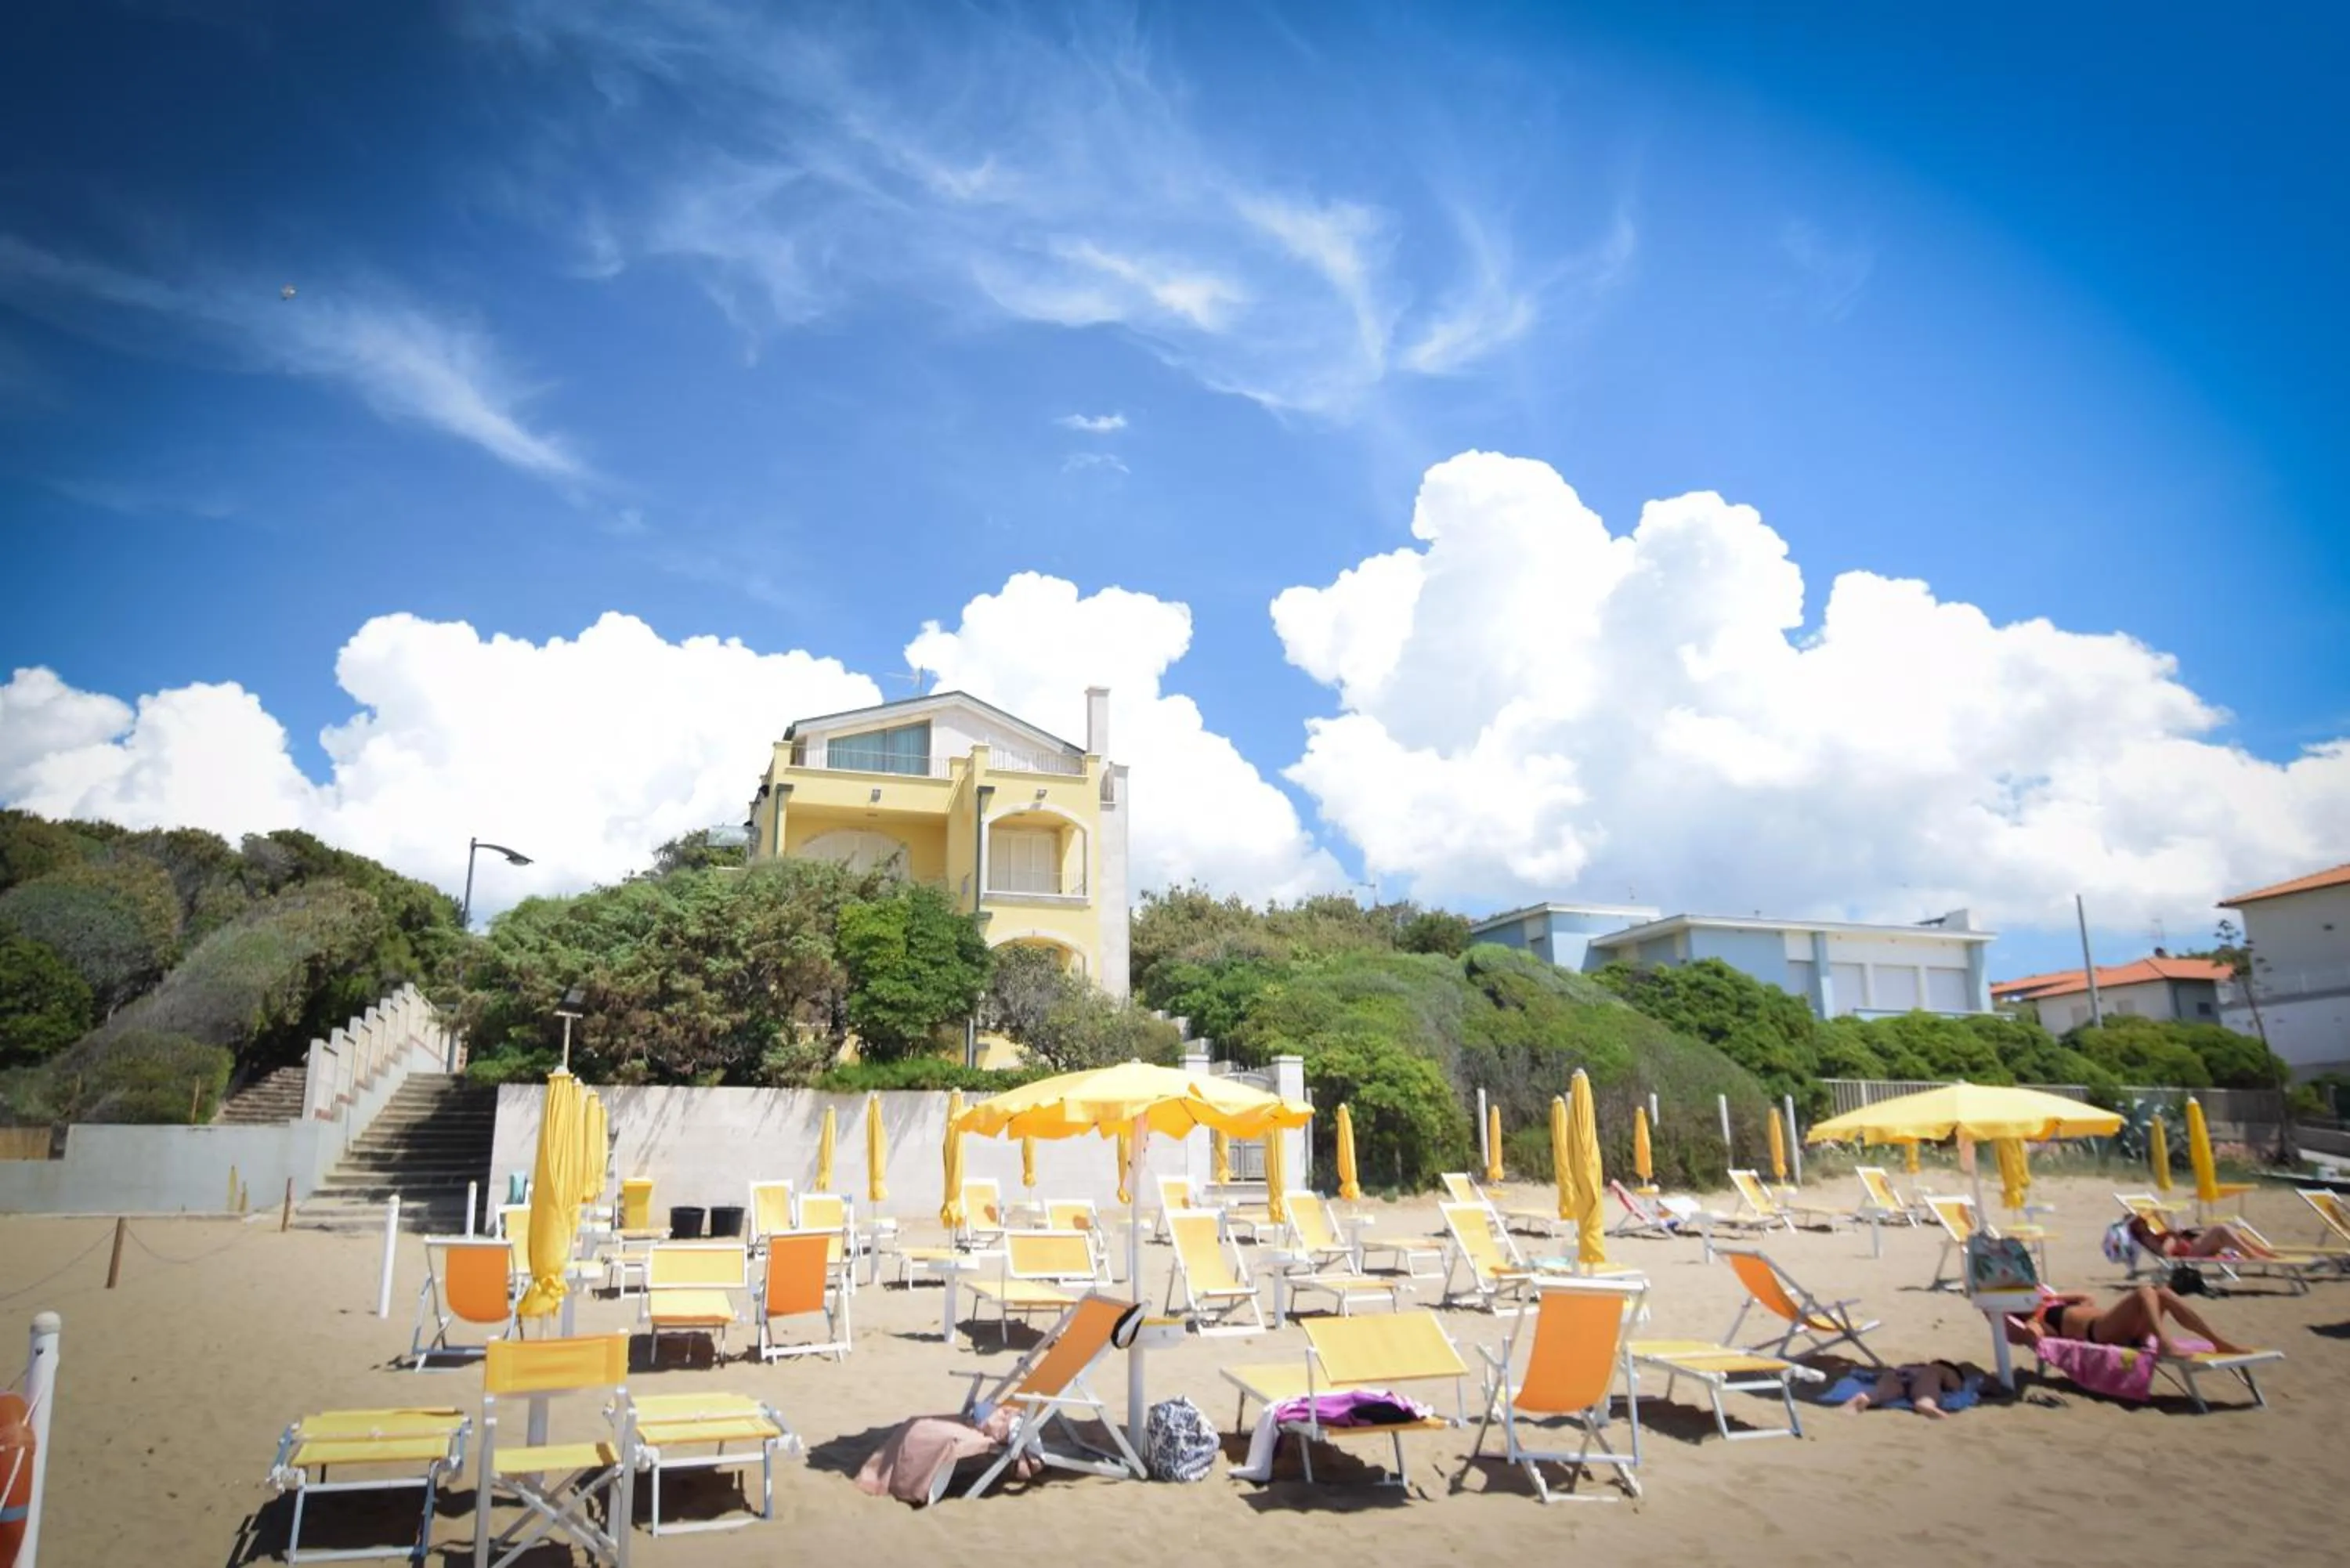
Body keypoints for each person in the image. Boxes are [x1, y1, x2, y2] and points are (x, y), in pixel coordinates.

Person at [2008, 1284, 2251, 1357]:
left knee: (2163, 1293)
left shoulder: (2053, 1304)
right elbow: (2033, 1336)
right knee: (2145, 1291)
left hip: (2125, 1329)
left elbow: (2088, 1296)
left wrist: (2053, 1296)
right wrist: (2028, 1327)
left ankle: (2217, 1341)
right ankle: (2166, 1345)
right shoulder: (2038, 1319)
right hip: (2101, 1332)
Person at [1839, 1360, 1968, 1418]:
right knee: (1926, 1389)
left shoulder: (1916, 1366)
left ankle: (1868, 1397)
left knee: (1886, 1390)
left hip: (1898, 1372)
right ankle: (1925, 1403)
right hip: (1925, 1375)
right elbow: (1954, 1386)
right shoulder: (1938, 1369)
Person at [2125, 1213, 2276, 1260]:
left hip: (2192, 1244)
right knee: (2221, 1228)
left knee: (2229, 1230)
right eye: (2140, 1221)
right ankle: (2252, 1254)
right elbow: (2164, 1253)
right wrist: (2173, 1236)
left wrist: (2175, 1233)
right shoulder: (2146, 1239)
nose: (2144, 1221)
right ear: (2136, 1227)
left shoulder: (2151, 1233)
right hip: (2189, 1251)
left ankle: (2261, 1251)